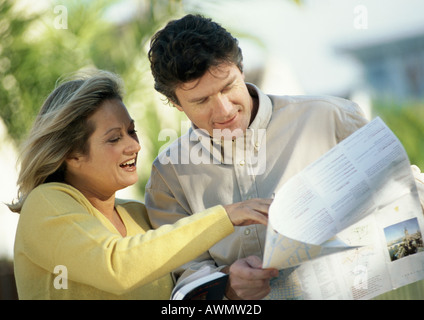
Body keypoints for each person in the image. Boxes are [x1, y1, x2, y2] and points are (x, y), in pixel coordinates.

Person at [146, 14, 424, 300]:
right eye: (201, 101)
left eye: (228, 87)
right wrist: (227, 285)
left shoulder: (329, 118)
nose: (224, 111)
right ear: (176, 104)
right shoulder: (169, 177)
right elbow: (184, 278)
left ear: (240, 70)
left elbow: (403, 196)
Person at [8, 70, 271, 300]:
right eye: (114, 139)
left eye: (131, 132)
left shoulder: (138, 215)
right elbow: (117, 268)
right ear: (71, 154)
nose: (134, 146)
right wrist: (225, 216)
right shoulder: (45, 203)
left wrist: (229, 285)